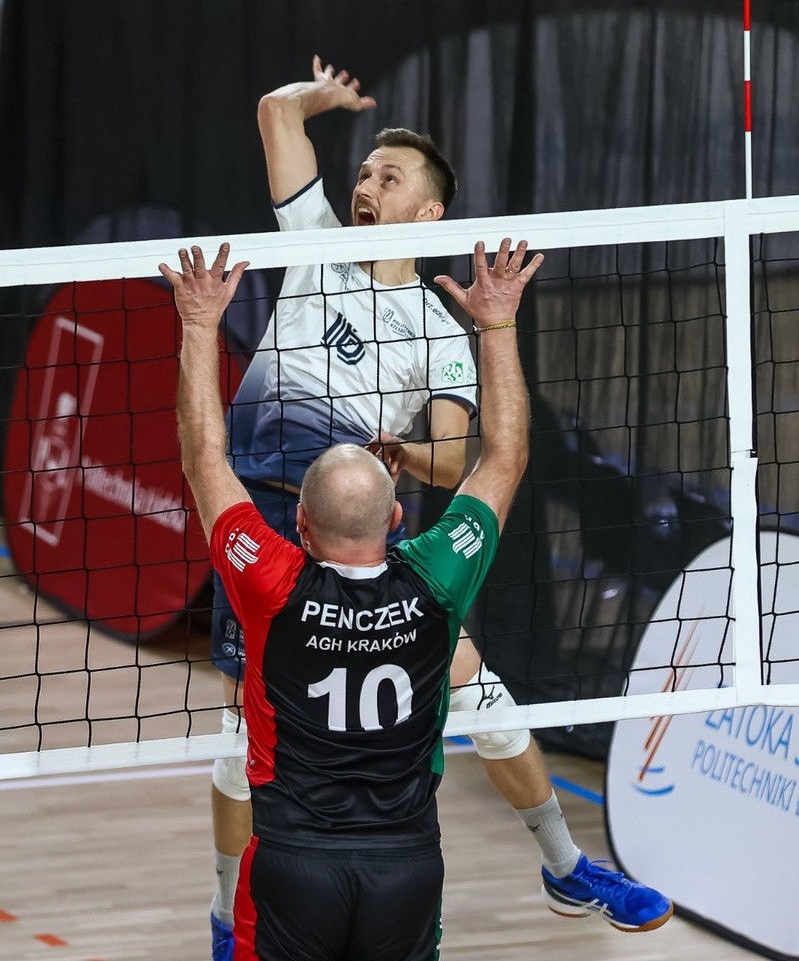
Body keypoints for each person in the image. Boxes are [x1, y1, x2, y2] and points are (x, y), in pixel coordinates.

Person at [207, 57, 673, 958]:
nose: (364, 184)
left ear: (428, 214)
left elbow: (457, 461)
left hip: (359, 536)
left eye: (389, 177)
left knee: (482, 691)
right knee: (239, 737)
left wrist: (401, 454)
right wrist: (322, 100)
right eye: (363, 171)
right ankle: (228, 916)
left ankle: (565, 864)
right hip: (266, 523)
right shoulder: (313, 242)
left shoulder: (440, 331)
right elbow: (273, 111)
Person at [161, 235, 540, 961]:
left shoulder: (270, 583)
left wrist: (200, 323)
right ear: (397, 518)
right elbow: (505, 458)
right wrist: (497, 323)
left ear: (299, 526)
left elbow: (203, 458)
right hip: (406, 870)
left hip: (292, 867)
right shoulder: (435, 580)